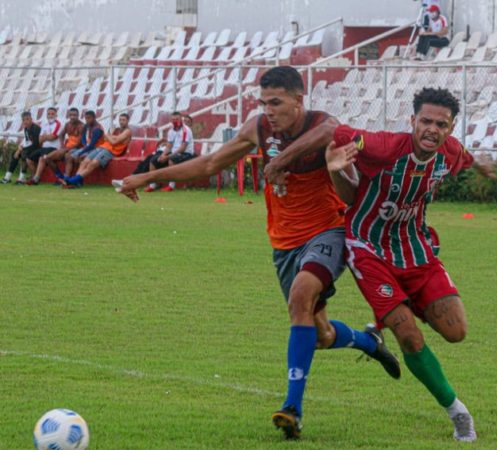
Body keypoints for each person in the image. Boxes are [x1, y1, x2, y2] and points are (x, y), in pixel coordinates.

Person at [117, 66, 401, 440]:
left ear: (299, 100)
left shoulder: (321, 123)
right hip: (283, 243)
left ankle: (292, 409)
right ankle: (368, 341)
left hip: (329, 231)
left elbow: (332, 131)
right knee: (320, 333)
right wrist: (148, 176)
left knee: (301, 295)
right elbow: (208, 163)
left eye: (276, 102)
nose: (268, 110)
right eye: (263, 102)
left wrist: (278, 161)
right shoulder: (258, 128)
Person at [323, 88, 495, 442]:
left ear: (450, 128)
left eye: (441, 124)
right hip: (368, 247)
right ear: (412, 121)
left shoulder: (450, 150)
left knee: (456, 331)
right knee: (410, 337)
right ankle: (458, 413)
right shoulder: (383, 146)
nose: (432, 129)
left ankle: (385, 316)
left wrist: (482, 166)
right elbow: (333, 131)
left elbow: (465, 155)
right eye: (426, 121)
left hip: (415, 248)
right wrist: (335, 166)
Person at [61, 113, 131, 187]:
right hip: (103, 147)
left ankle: (72, 181)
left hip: (111, 151)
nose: (121, 122)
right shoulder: (117, 130)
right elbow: (106, 139)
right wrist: (111, 137)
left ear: (127, 121)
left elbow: (114, 142)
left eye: (123, 120)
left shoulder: (127, 131)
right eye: (120, 120)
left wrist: (109, 136)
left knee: (93, 164)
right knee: (84, 162)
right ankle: (77, 182)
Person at [143, 111, 195, 192]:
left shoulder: (186, 130)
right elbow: (169, 145)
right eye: (173, 119)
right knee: (153, 160)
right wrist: (163, 155)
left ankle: (171, 186)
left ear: (181, 119)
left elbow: (183, 148)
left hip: (186, 153)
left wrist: (167, 157)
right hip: (175, 152)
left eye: (177, 119)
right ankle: (152, 185)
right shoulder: (171, 130)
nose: (175, 121)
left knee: (171, 160)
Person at [36, 107, 84, 182]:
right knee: (47, 158)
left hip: (78, 148)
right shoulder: (67, 124)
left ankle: (66, 179)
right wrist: (62, 145)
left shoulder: (81, 126)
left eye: (74, 115)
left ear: (78, 116)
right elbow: (61, 135)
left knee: (67, 156)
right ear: (68, 115)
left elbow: (80, 142)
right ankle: (60, 177)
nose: (72, 117)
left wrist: (66, 149)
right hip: (66, 148)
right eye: (71, 115)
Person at [63, 110, 111, 184]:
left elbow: (92, 145)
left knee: (81, 157)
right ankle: (66, 177)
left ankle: (77, 180)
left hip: (97, 149)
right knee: (68, 156)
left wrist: (82, 152)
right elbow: (83, 137)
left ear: (94, 118)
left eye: (89, 118)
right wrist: (85, 144)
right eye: (86, 118)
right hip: (88, 148)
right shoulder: (87, 125)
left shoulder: (97, 129)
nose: (87, 120)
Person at [2, 111, 41, 184]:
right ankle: (7, 177)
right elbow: (27, 142)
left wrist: (21, 150)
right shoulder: (26, 128)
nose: (25, 121)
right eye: (23, 120)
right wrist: (20, 147)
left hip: (37, 149)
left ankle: (21, 178)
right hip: (31, 148)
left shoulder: (36, 128)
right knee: (15, 153)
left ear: (31, 119)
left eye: (27, 119)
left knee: (24, 153)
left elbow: (36, 144)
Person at [25, 107, 61, 185]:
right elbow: (39, 140)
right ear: (46, 115)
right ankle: (35, 176)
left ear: (56, 115)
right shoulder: (45, 125)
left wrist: (45, 137)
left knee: (42, 157)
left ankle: (36, 179)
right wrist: (47, 137)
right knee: (28, 159)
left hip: (54, 148)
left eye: (52, 114)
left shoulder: (58, 124)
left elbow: (53, 137)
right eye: (49, 114)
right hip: (44, 147)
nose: (50, 115)